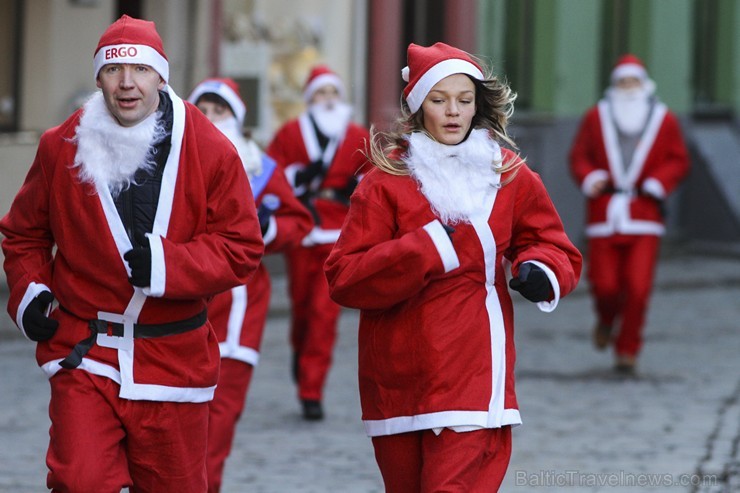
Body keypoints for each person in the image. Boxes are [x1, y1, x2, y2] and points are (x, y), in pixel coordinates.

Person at [0, 16, 264, 492]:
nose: (127, 84)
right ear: (98, 76)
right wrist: (30, 290)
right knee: (78, 481)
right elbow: (24, 234)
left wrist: (169, 265)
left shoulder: (210, 149)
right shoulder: (60, 146)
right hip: (87, 351)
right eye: (114, 71)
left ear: (161, 76)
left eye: (141, 70)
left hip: (173, 360)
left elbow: (242, 246)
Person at [324, 42, 582, 492]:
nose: (452, 112)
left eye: (464, 100)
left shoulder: (509, 175)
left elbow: (550, 243)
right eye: (439, 100)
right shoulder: (385, 183)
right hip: (396, 375)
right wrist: (424, 248)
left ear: (478, 105)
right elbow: (345, 277)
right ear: (418, 105)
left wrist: (542, 269)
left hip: (474, 370)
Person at [187, 78, 314, 493]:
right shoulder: (171, 165)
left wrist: (268, 225)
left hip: (236, 319)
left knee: (216, 424)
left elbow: (298, 222)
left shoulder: (262, 170)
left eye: (218, 111)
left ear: (237, 119)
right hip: (178, 314)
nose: (208, 119)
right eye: (201, 109)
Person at [569, 54, 690, 374]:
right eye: (622, 82)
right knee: (605, 284)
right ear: (614, 85)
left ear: (645, 84)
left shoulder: (665, 120)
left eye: (633, 81)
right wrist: (591, 177)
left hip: (644, 214)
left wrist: (658, 182)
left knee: (638, 287)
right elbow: (579, 156)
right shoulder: (596, 116)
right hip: (605, 214)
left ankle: (628, 349)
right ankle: (607, 320)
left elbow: (678, 159)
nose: (628, 87)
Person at [266, 64, 370, 420]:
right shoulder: (291, 133)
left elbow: (375, 179)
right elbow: (273, 174)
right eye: (321, 94)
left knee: (324, 314)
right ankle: (299, 352)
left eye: (333, 94)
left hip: (338, 234)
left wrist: (356, 189)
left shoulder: (358, 135)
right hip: (303, 230)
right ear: (310, 99)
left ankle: (312, 390)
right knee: (301, 308)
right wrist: (298, 177)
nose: (328, 101)